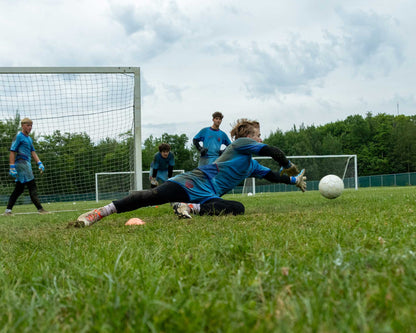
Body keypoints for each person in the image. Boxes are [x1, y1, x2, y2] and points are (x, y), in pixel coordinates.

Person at [74, 118, 306, 227]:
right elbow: (272, 150)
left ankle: (189, 208)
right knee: (152, 197)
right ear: (247, 136)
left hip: (207, 196)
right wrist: (287, 164)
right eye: (258, 134)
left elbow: (272, 176)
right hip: (192, 182)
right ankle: (99, 213)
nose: (260, 138)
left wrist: (294, 180)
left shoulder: (252, 165)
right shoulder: (240, 144)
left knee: (238, 208)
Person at [3, 118, 49, 216]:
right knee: (32, 186)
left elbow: (33, 151)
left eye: (31, 125)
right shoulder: (19, 136)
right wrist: (12, 166)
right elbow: (12, 151)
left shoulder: (29, 139)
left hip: (26, 164)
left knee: (19, 189)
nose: (30, 127)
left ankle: (8, 210)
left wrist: (39, 163)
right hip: (21, 164)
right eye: (28, 125)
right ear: (23, 126)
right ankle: (40, 209)